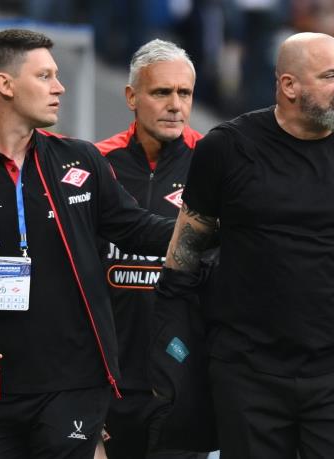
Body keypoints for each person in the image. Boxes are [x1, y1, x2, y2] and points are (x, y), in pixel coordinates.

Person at [150, 32, 334, 458]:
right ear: (289, 85)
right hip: (247, 372)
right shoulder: (227, 149)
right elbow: (182, 260)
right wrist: (170, 359)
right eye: (329, 76)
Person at [0, 29, 174, 458]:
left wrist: (212, 226)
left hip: (75, 383)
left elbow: (139, 228)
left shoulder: (82, 159)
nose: (60, 87)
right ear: (5, 84)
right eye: (45, 76)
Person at [94, 39, 206, 458]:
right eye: (162, 92)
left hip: (185, 382)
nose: (175, 105)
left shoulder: (214, 164)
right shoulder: (95, 164)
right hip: (107, 383)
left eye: (185, 93)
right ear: (131, 97)